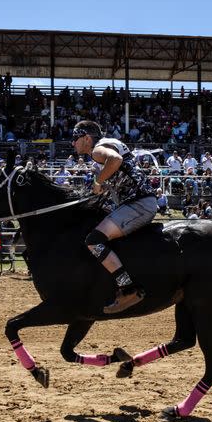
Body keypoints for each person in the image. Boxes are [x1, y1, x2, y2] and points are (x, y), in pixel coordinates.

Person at [71, 120, 157, 313]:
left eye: (75, 138)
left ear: (87, 138)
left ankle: (128, 289)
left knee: (94, 241)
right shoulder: (108, 143)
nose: (72, 143)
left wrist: (97, 181)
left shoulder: (97, 150)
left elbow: (116, 160)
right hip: (139, 201)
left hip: (138, 204)